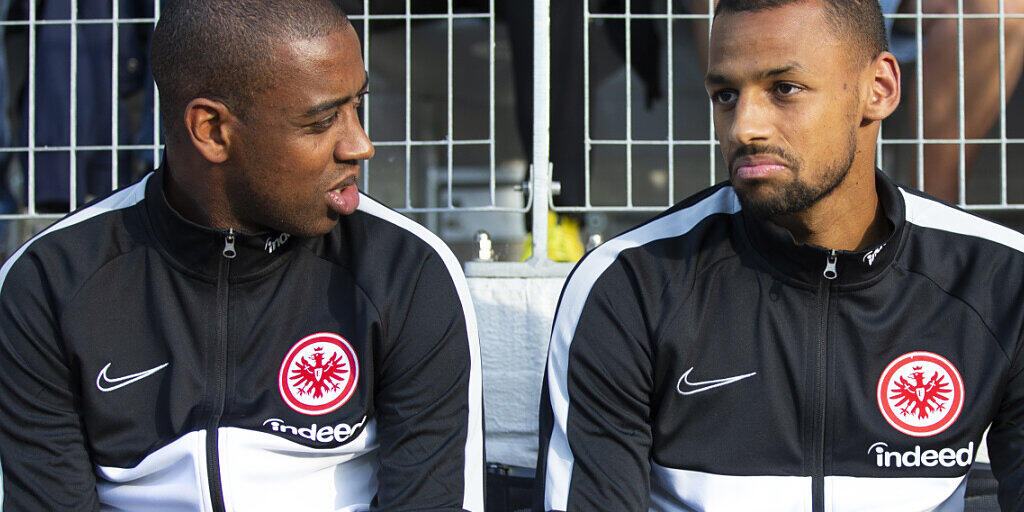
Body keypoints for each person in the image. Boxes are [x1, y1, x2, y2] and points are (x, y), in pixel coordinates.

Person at [535, 0, 1024, 511]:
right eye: (725, 94)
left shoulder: (1001, 280)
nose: (744, 127)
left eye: (783, 88)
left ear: (878, 89)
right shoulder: (629, 285)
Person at [0, 1, 484, 510]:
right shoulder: (47, 284)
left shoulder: (406, 269)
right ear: (211, 130)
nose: (360, 145)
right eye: (322, 121)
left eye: (356, 106)